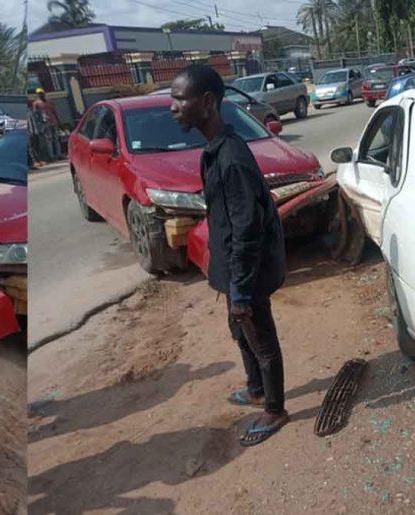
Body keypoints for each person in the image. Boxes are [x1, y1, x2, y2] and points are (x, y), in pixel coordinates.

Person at [169, 64, 288, 447]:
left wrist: (240, 290)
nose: (172, 107)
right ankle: (255, 389)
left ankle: (274, 408)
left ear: (206, 103)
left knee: (260, 338)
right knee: (240, 331)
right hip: (234, 267)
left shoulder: (231, 158)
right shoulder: (217, 149)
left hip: (248, 270)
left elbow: (247, 231)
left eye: (179, 99)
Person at [33, 88, 62, 161]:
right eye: (39, 94)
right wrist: (39, 124)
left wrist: (58, 121)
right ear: (37, 95)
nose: (41, 95)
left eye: (42, 93)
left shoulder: (49, 102)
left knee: (56, 139)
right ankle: (51, 156)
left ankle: (59, 154)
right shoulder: (36, 104)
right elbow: (36, 115)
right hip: (45, 123)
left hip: (53, 122)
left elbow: (54, 111)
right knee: (49, 140)